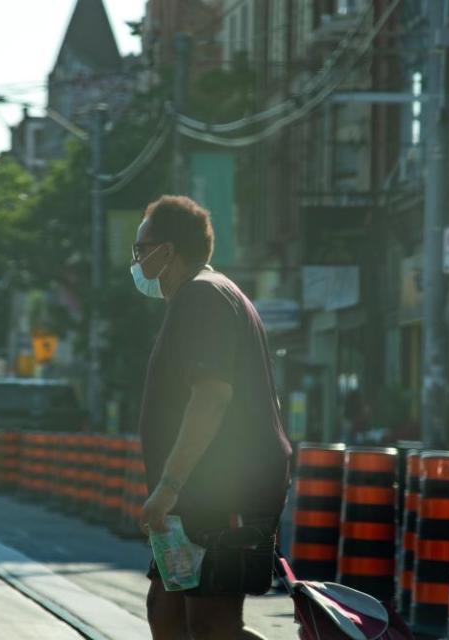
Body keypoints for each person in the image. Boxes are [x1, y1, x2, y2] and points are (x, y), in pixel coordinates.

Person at [133, 195, 292, 640]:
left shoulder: (203, 297)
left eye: (142, 248)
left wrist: (168, 487)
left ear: (168, 250)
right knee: (166, 610)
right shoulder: (204, 294)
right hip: (200, 492)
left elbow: (212, 397)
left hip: (223, 489)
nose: (139, 259)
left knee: (211, 623)